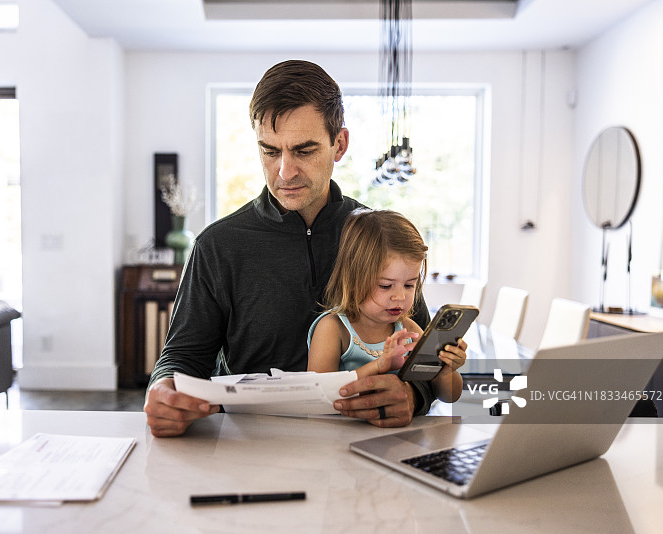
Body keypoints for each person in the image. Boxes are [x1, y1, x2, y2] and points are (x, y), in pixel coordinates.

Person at [144, 59, 438, 437]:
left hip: (366, 444)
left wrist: (413, 395)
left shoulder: (379, 237)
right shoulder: (217, 246)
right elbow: (182, 356)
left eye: (304, 150)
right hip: (250, 444)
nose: (285, 172)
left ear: (340, 144)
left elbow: (428, 356)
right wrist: (162, 388)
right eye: (270, 151)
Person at [307, 209, 465, 403]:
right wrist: (378, 366)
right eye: (385, 286)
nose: (399, 296)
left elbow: (449, 397)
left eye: (409, 285)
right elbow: (317, 394)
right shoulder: (333, 328)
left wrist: (445, 370)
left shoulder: (409, 330)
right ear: (354, 279)